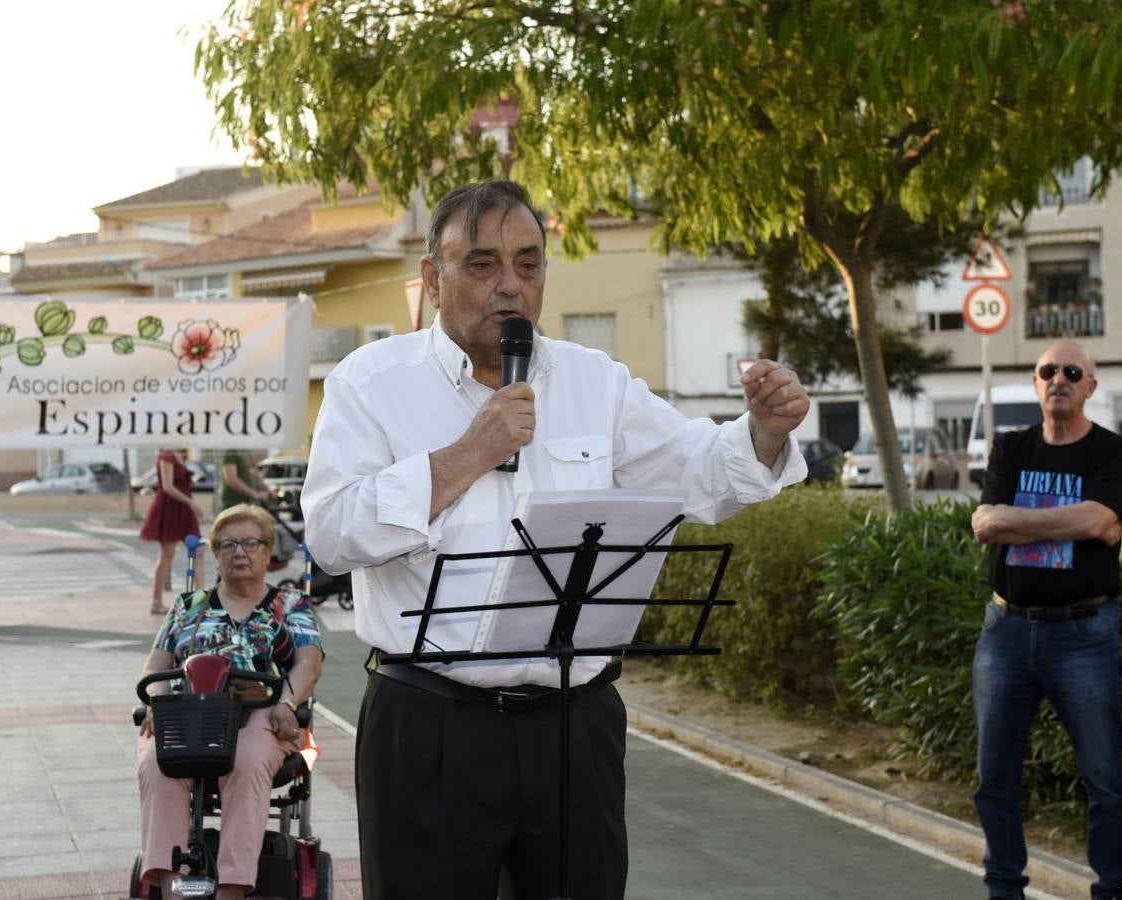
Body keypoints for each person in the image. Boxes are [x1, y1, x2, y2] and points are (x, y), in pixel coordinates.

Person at [301, 178, 810, 900]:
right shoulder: (369, 383)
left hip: (575, 729)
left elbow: (696, 471)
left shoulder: (593, 381)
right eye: (481, 265)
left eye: (528, 263)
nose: (509, 285)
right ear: (431, 279)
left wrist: (762, 433)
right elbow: (329, 534)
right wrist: (463, 457)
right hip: (431, 726)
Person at [970, 339, 1122, 900]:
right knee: (994, 778)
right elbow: (986, 528)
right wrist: (1079, 521)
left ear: (1091, 386)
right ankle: (1004, 889)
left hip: (1084, 635)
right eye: (1048, 371)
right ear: (1035, 383)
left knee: (1105, 779)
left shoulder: (1112, 451)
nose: (1059, 379)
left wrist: (1013, 518)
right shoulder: (1010, 448)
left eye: (1073, 371)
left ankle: (1112, 890)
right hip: (1006, 631)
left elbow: (1098, 520)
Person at [136, 504, 324, 900]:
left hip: (265, 714)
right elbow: (155, 666)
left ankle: (233, 888)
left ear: (267, 551)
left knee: (249, 759)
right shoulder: (188, 606)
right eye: (228, 544)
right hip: (193, 713)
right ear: (216, 554)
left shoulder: (291, 605)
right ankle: (172, 887)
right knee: (157, 759)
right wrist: (156, 703)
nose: (240, 552)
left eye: (250, 543)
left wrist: (287, 704)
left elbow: (308, 662)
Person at [139, 448, 204, 614]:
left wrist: (190, 504)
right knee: (167, 554)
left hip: (183, 510)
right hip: (169, 508)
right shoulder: (167, 455)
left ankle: (201, 600)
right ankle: (156, 601)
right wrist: (191, 502)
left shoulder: (180, 453)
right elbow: (167, 486)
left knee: (198, 550)